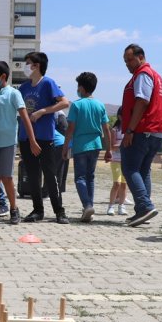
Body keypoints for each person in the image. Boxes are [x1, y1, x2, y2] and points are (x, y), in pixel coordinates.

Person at [0, 61, 40, 225]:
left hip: (7, 142)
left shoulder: (14, 94)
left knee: (6, 177)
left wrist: (32, 140)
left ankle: (14, 209)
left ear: (3, 76)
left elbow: (25, 118)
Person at [18, 52, 70, 224]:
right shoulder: (23, 88)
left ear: (37, 65)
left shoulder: (48, 83)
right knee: (32, 175)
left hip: (44, 137)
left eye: (28, 62)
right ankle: (37, 210)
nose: (25, 66)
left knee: (50, 174)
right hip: (26, 137)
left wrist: (43, 111)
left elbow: (64, 102)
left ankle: (59, 211)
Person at [120, 44, 162, 227]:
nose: (127, 64)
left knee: (130, 168)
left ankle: (145, 206)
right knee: (143, 170)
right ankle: (142, 211)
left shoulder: (143, 74)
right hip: (156, 132)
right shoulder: (155, 76)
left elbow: (142, 101)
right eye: (125, 61)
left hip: (142, 131)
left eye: (130, 60)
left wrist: (130, 130)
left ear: (141, 57)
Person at [62, 72, 112, 223]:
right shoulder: (100, 105)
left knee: (80, 178)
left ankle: (87, 205)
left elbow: (70, 128)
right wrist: (109, 149)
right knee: (90, 177)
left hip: (81, 146)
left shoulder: (76, 105)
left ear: (82, 88)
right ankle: (88, 208)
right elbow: (106, 129)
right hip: (96, 144)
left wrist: (65, 147)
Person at [107, 108, 128, 216]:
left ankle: (122, 206)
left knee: (124, 185)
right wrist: (124, 144)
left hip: (127, 161)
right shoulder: (115, 130)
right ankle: (111, 206)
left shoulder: (129, 129)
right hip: (116, 161)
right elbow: (113, 146)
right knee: (117, 183)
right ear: (120, 116)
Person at [54, 110, 69, 193]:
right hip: (64, 142)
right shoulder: (60, 114)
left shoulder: (59, 114)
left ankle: (56, 189)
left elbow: (65, 129)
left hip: (59, 143)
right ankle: (60, 188)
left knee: (57, 168)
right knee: (61, 167)